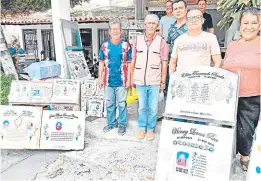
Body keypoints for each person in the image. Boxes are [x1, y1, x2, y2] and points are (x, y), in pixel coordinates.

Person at [223, 8, 260, 171]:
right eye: (246, 23)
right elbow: (226, 68)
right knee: (229, 128)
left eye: (254, 23)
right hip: (229, 96)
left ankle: (245, 155)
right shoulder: (232, 45)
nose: (249, 27)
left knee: (246, 130)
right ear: (240, 25)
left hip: (253, 95)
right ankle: (228, 155)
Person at [131, 14, 169, 141]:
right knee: (141, 106)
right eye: (149, 23)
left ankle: (151, 129)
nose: (151, 25)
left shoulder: (162, 42)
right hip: (140, 79)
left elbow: (164, 62)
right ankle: (142, 128)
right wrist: (131, 78)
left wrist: (163, 81)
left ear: (157, 26)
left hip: (155, 80)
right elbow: (133, 60)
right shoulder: (137, 40)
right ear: (145, 25)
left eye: (154, 23)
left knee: (153, 107)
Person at [98, 18, 132, 135]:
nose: (115, 31)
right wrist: (99, 78)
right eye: (113, 29)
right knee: (110, 103)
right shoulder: (104, 45)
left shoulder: (125, 45)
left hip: (122, 80)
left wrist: (129, 80)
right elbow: (101, 62)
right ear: (109, 30)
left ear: (121, 30)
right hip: (108, 81)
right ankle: (111, 123)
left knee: (122, 104)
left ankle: (122, 124)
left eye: (117, 29)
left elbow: (129, 63)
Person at [169, 9, 222, 73]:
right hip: (182, 80)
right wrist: (172, 77)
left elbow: (218, 61)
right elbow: (173, 62)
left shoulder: (211, 38)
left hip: (202, 79)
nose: (194, 20)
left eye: (197, 17)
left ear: (202, 20)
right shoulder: (179, 40)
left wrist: (210, 77)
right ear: (186, 22)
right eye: (190, 18)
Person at [165, 0, 188, 95]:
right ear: (173, 12)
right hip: (172, 65)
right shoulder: (171, 28)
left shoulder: (192, 26)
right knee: (173, 92)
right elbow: (167, 45)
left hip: (187, 64)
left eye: (181, 8)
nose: (178, 11)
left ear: (186, 10)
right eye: (176, 9)